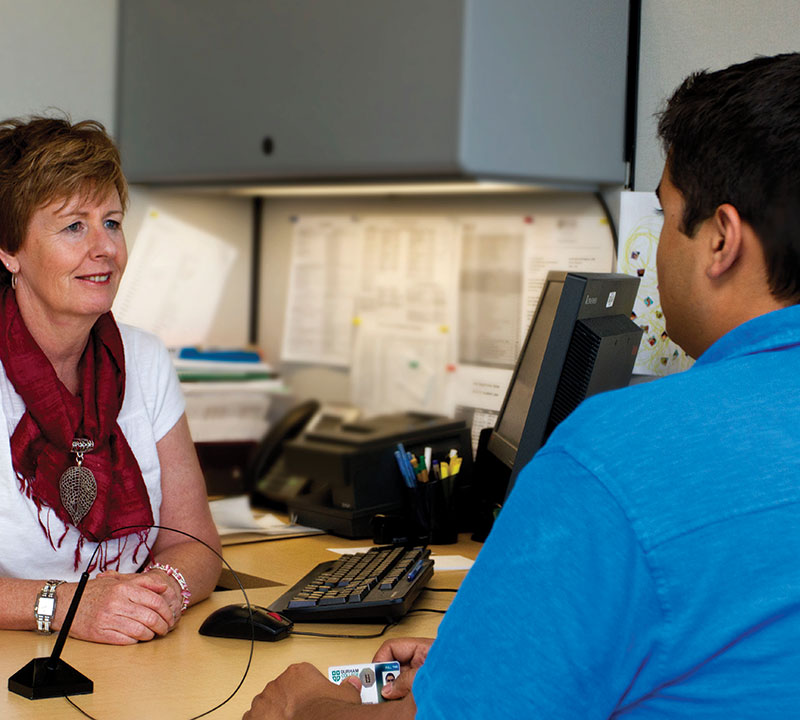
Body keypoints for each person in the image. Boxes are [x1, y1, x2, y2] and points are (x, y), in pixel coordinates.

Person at [243, 51, 800, 719]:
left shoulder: (613, 460)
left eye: (664, 214)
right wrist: (485, 662)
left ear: (721, 241)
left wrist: (305, 705)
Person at [0, 115, 221, 645]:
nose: (105, 249)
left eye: (113, 223)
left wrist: (163, 590)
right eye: (75, 226)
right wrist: (68, 606)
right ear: (9, 251)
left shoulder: (143, 360)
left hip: (131, 660)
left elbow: (196, 544)